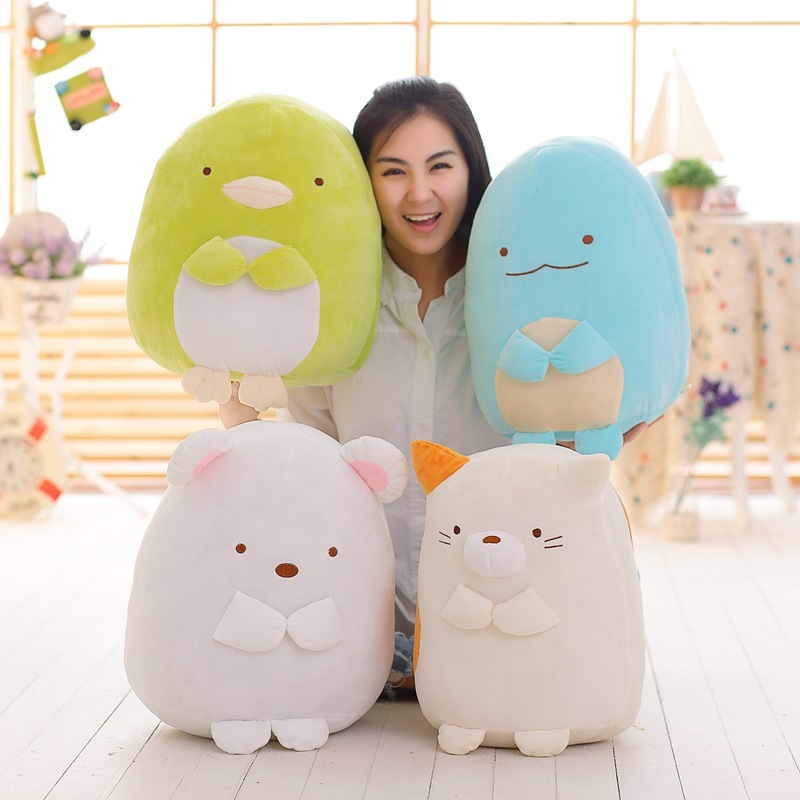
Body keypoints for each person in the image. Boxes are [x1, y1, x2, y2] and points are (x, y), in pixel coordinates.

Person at [220, 76, 647, 689]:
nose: (420, 193)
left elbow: (551, 459)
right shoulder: (330, 311)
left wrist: (601, 431)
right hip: (356, 626)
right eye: (393, 171)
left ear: (472, 172)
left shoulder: (522, 299)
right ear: (361, 181)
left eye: (440, 166)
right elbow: (311, 468)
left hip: (504, 618)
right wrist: (236, 407)